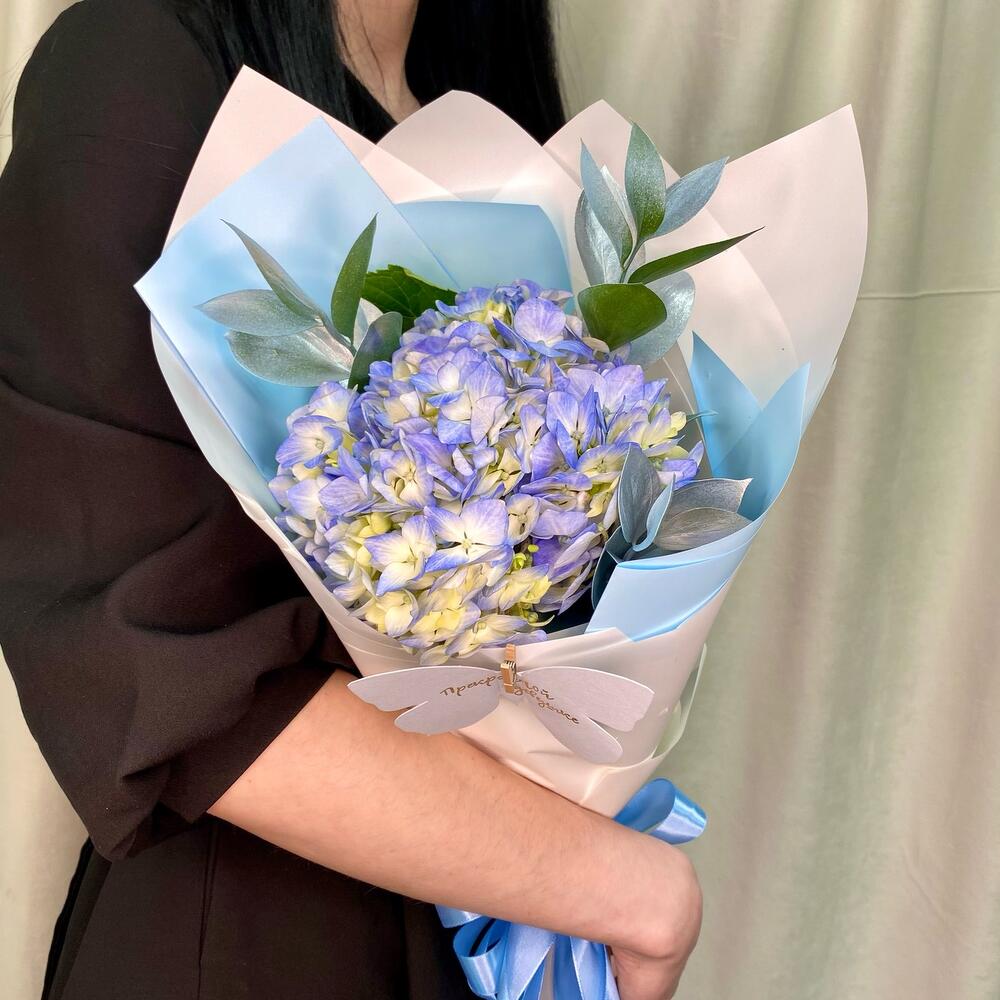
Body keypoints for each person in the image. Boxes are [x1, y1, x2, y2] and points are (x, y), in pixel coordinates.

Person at [0, 1, 703, 997]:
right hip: (260, 936)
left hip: (497, 913)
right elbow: (128, 651)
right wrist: (623, 888)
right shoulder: (141, 69)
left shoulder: (494, 126)